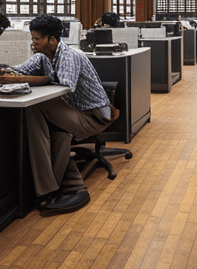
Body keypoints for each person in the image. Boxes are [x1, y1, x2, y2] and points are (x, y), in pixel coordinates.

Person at [0, 14, 113, 216]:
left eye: (36, 39)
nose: (33, 43)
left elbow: (64, 87)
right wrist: (8, 72)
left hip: (92, 116)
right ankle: (51, 189)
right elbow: (18, 71)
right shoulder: (42, 56)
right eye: (32, 38)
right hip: (71, 113)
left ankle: (46, 189)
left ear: (52, 39)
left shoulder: (69, 55)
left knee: (34, 107)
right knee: (54, 132)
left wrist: (24, 80)